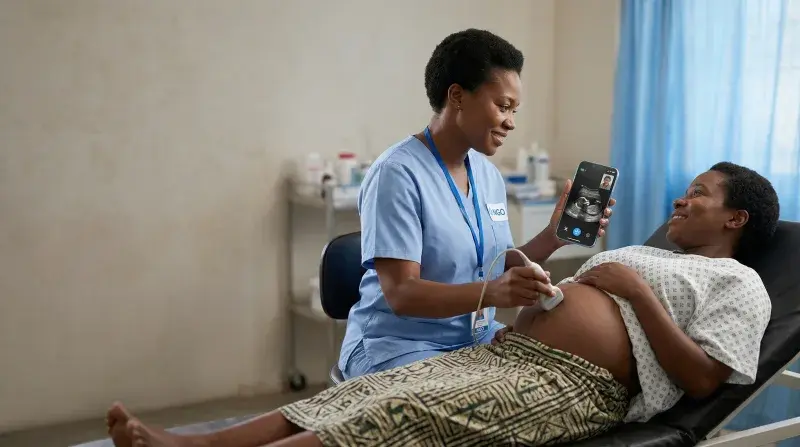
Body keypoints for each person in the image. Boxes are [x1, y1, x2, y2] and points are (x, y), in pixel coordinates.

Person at [104, 161, 779, 446]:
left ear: (736, 219)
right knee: (349, 398)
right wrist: (534, 275)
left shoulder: (739, 285)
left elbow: (702, 378)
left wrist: (628, 291)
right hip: (506, 353)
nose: (680, 201)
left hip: (577, 386)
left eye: (698, 194)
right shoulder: (651, 251)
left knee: (393, 415)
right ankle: (180, 443)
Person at [338, 28, 616, 380]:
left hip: (475, 338)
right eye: (502, 106)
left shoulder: (487, 176)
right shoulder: (396, 174)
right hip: (398, 344)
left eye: (514, 110)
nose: (510, 122)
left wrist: (553, 236)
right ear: (457, 96)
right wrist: (493, 293)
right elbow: (402, 294)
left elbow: (493, 264)